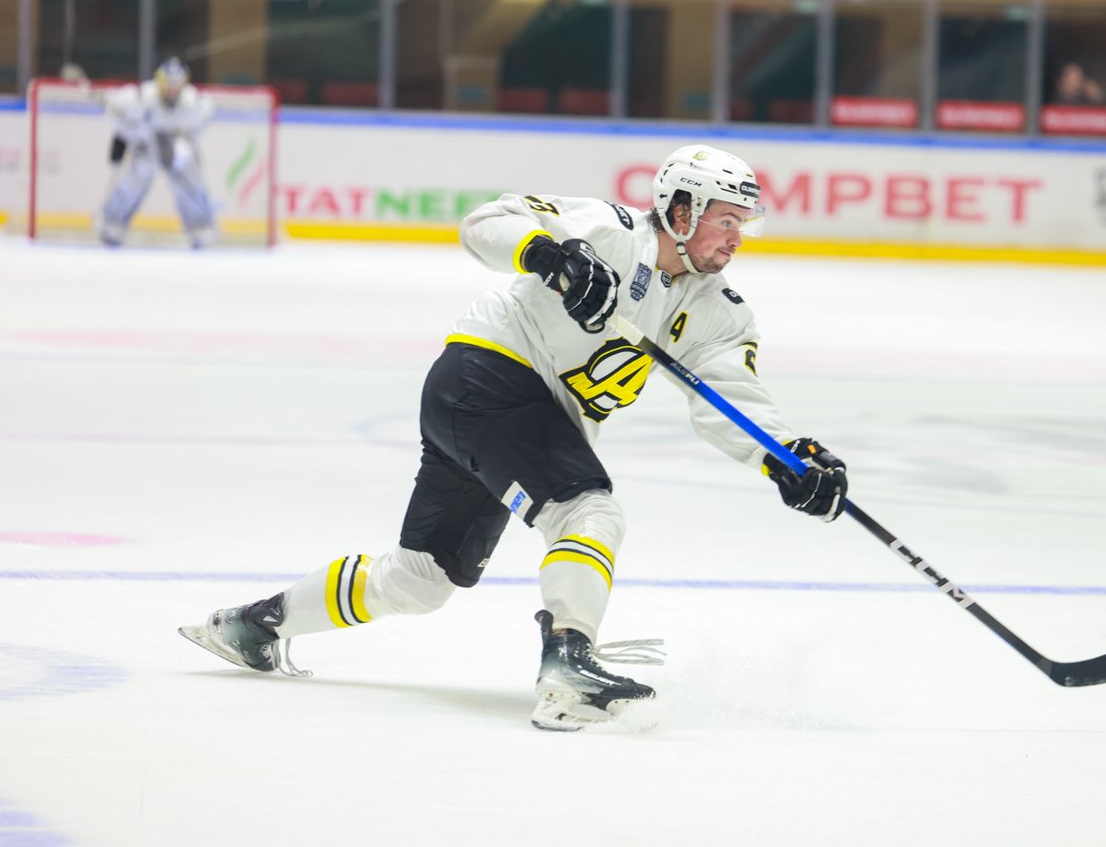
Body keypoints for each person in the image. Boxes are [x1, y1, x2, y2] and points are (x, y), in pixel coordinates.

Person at [178, 143, 850, 732]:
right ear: (681, 210)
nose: (736, 239)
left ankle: (253, 625)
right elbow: (485, 222)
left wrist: (788, 459)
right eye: (726, 221)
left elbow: (733, 399)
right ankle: (569, 666)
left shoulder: (717, 311)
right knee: (588, 513)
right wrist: (549, 254)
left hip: (493, 411)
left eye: (743, 224)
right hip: (489, 373)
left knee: (420, 580)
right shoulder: (609, 231)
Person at [96, 57, 217, 249]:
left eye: (177, 84)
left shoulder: (194, 103)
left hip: (176, 147)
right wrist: (127, 131)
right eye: (168, 84)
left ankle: (201, 230)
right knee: (132, 184)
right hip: (147, 147)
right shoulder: (140, 97)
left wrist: (186, 144)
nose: (172, 89)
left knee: (191, 184)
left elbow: (199, 127)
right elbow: (116, 114)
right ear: (159, 81)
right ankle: (111, 226)